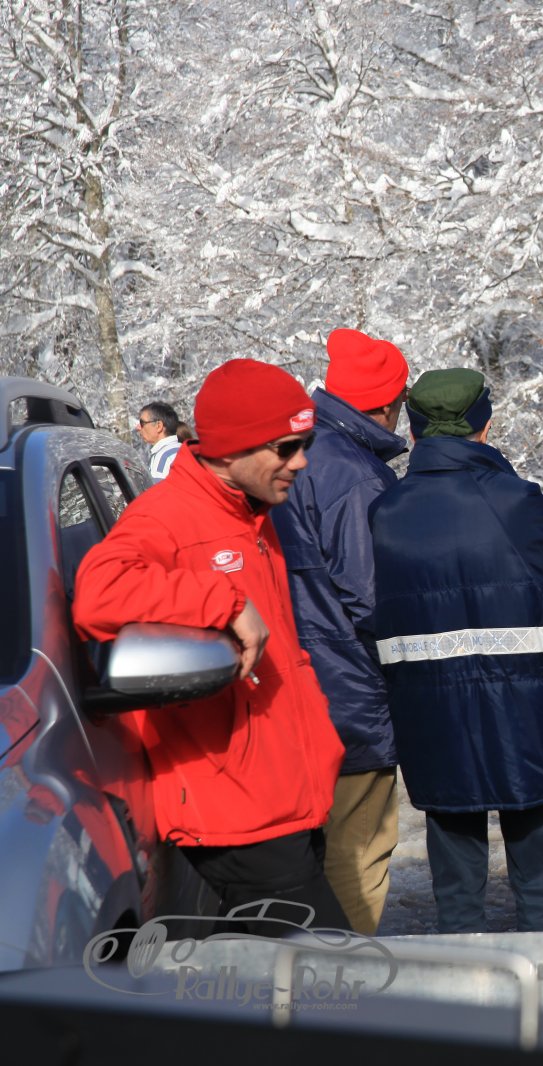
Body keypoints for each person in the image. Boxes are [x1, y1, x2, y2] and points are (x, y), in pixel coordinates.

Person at [72, 359, 348, 935]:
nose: (300, 462)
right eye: (285, 447)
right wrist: (222, 601)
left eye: (305, 445)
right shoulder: (169, 515)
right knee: (335, 978)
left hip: (284, 796)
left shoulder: (251, 512)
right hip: (237, 811)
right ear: (230, 449)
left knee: (278, 981)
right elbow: (99, 592)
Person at [369, 369, 543, 934]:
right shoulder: (515, 502)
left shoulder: (384, 512)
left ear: (414, 433)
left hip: (431, 715)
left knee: (456, 892)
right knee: (542, 886)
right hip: (524, 713)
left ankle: (463, 982)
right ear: (484, 426)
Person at [274, 327, 410, 935]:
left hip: (295, 686)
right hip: (350, 695)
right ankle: (342, 979)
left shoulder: (297, 451)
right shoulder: (357, 476)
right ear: (387, 403)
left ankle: (304, 967)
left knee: (306, 853)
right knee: (358, 852)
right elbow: (374, 596)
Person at [137, 401, 182, 481]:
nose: (138, 427)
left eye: (142, 423)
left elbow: (158, 488)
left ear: (159, 426)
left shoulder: (163, 458)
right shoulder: (184, 449)